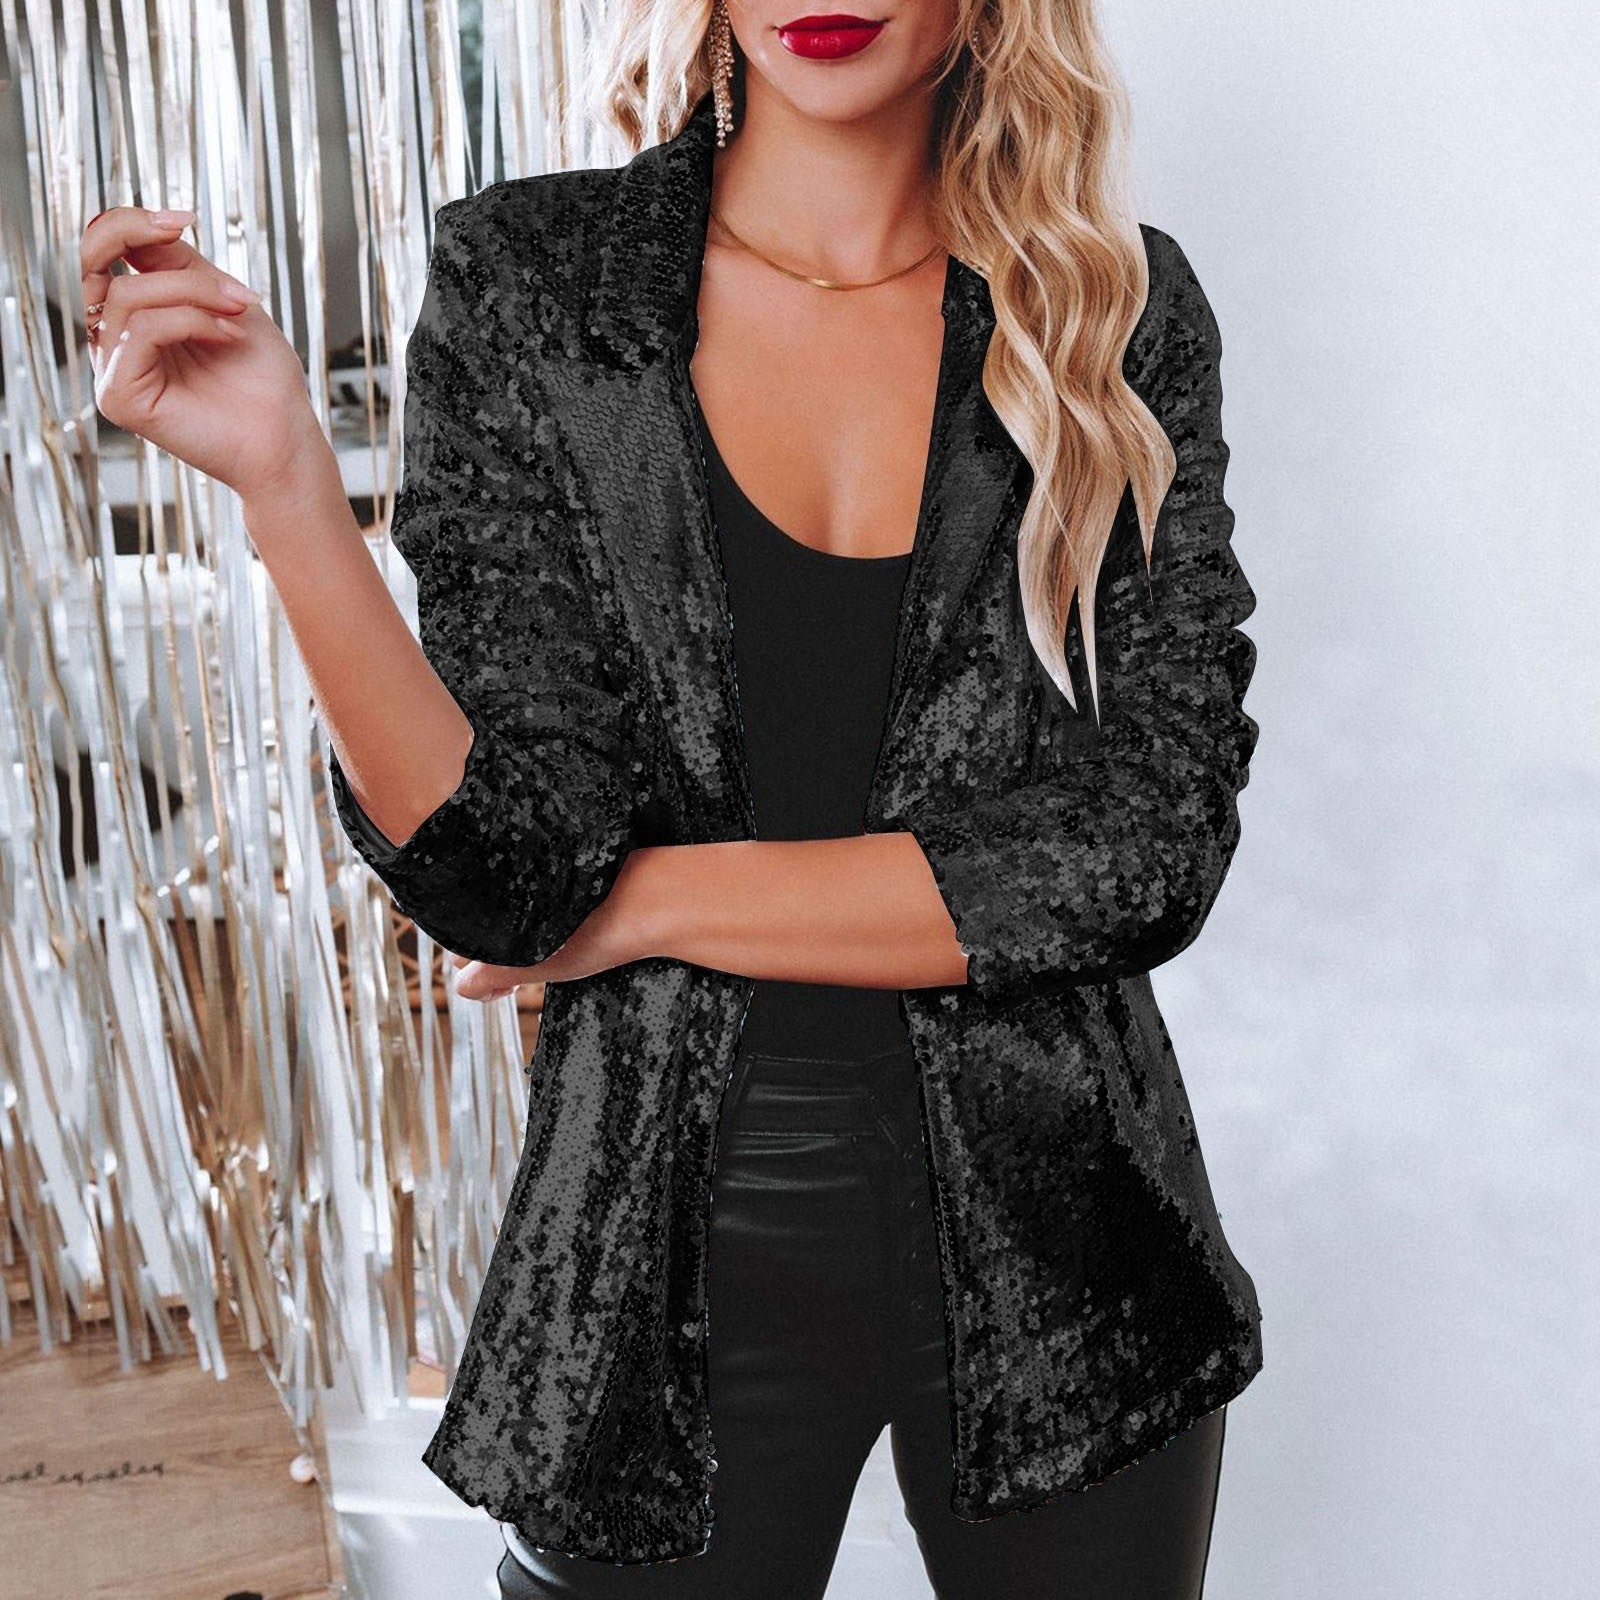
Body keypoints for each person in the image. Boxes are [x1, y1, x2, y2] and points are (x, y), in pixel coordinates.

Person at [82, 1, 1264, 1595]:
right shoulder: (534, 288)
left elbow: (1143, 848)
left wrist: (641, 905)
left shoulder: (1111, 306)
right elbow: (510, 881)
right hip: (654, 1250)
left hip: (1067, 1249)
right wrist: (288, 481)